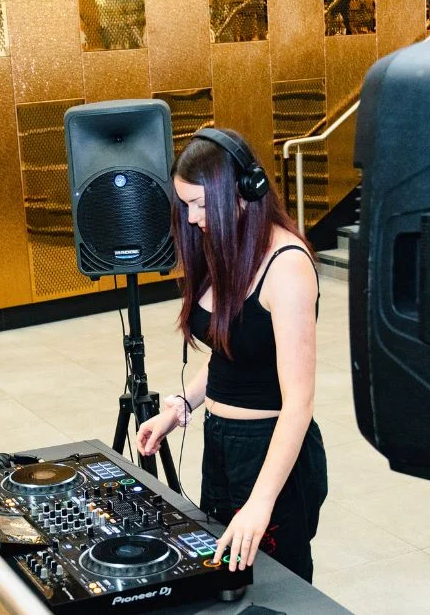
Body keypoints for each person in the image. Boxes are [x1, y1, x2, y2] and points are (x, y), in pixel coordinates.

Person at [136, 128, 329, 583]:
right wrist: (182, 406)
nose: (195, 218)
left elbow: (299, 404)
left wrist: (260, 502)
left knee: (279, 587)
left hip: (271, 449)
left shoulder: (287, 267)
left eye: (202, 205)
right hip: (221, 442)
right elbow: (230, 352)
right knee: (226, 579)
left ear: (244, 192)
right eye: (186, 206)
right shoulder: (228, 248)